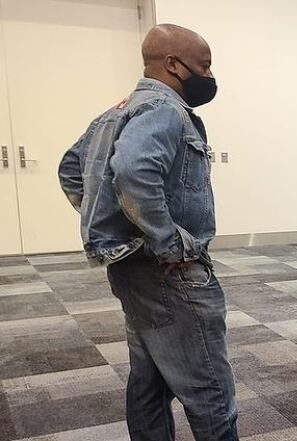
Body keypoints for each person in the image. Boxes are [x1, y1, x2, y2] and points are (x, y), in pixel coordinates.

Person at [58, 24, 238, 441]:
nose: (209, 76)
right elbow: (134, 171)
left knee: (150, 383)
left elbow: (71, 168)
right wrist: (166, 241)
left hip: (135, 272)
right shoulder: (164, 110)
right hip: (171, 274)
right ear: (173, 64)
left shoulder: (116, 112)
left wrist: (113, 222)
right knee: (210, 390)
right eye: (205, 66)